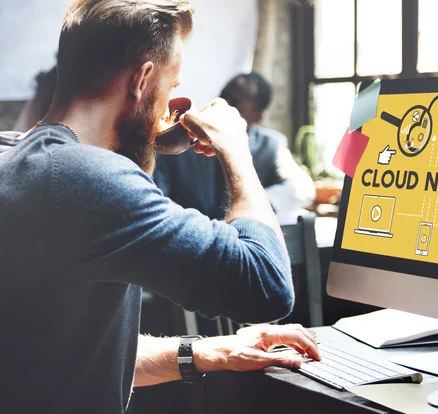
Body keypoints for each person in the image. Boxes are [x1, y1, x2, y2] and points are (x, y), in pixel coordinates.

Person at [0, 1, 319, 413]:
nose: (168, 105)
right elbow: (267, 286)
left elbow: (64, 354)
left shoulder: (16, 156)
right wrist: (237, 151)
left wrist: (213, 351)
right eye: (171, 87)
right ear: (142, 79)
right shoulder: (86, 178)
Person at [153, 72, 316, 224]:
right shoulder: (182, 139)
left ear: (257, 116)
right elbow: (157, 195)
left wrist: (250, 205)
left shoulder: (270, 145)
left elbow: (302, 189)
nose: (224, 104)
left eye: (236, 102)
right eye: (224, 95)